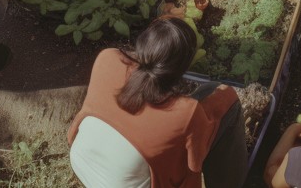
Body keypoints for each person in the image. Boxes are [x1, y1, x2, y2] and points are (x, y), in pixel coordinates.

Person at [68, 17, 248, 188]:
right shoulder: (186, 112)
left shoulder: (107, 57)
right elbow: (193, 164)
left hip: (82, 165)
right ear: (183, 66)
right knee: (227, 100)